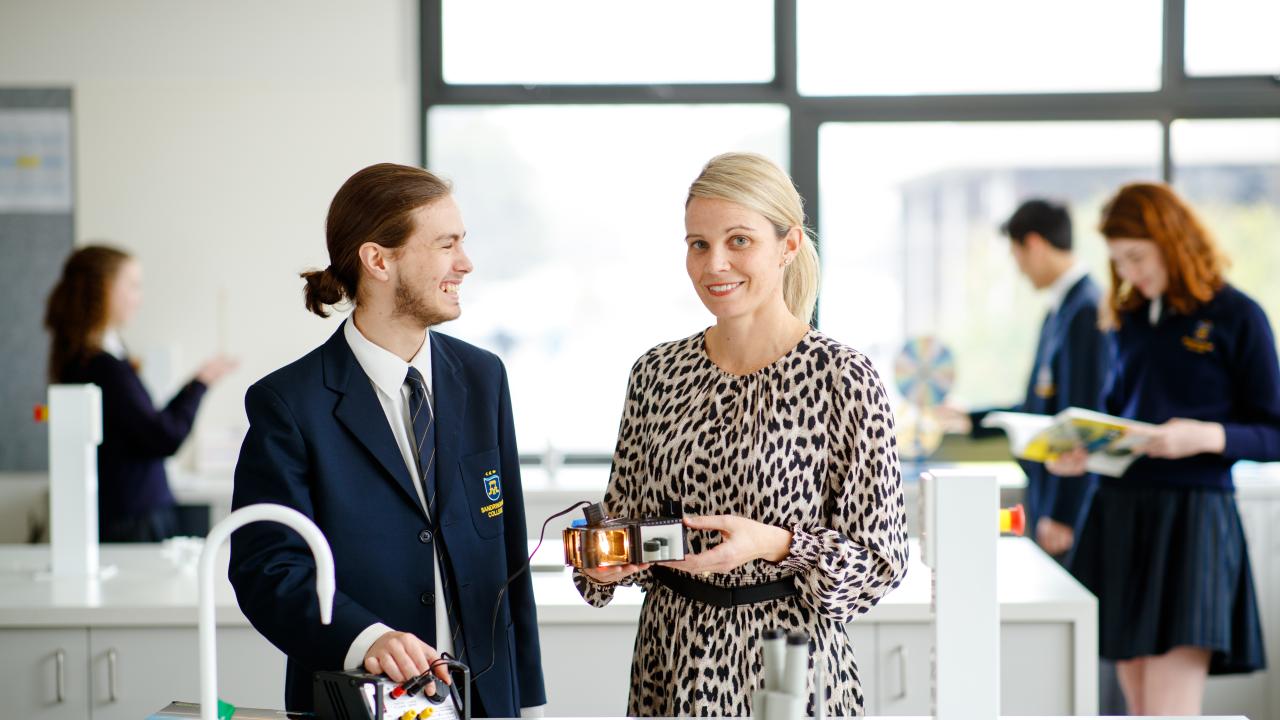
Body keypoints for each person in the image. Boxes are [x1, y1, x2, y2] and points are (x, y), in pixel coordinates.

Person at [573, 152, 908, 716]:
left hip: (789, 664)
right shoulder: (656, 372)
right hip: (670, 659)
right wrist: (601, 559)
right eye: (698, 244)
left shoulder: (842, 377)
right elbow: (624, 519)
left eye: (739, 241)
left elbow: (879, 564)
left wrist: (777, 543)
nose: (715, 265)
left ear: (789, 245)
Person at [228, 163, 545, 716]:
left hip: (485, 701)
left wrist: (527, 701)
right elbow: (267, 570)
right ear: (379, 260)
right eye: (446, 245)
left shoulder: (483, 377)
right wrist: (366, 637)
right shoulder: (289, 403)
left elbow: (507, 551)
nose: (465, 264)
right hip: (359, 699)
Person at [1049, 182, 1274, 715]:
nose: (1128, 273)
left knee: (1169, 710)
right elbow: (1117, 422)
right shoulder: (1127, 320)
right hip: (1121, 514)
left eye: (1136, 257)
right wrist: (1086, 453)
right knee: (1139, 706)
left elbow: (1274, 431)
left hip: (1193, 521)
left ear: (1173, 241)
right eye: (1118, 262)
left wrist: (1204, 436)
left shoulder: (1238, 316)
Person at [941, 199, 1110, 559]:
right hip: (1046, 494)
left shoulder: (1086, 312)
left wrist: (1063, 513)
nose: (1018, 269)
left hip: (1065, 507)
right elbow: (1037, 406)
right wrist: (971, 418)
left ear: (1033, 244)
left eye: (1016, 255)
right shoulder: (1059, 312)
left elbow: (1081, 420)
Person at [43, 245, 236, 542]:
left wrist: (197, 382)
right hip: (133, 519)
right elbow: (162, 436)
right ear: (105, 289)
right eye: (132, 286)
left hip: (128, 511)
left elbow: (150, 425)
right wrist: (200, 384)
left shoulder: (91, 358)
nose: (139, 299)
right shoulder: (102, 367)